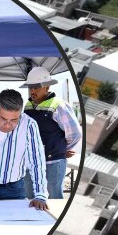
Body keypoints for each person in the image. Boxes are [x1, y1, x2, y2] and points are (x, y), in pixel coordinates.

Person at [21, 66, 80, 199]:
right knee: (30, 196)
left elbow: (75, 133)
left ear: (47, 87)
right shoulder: (28, 106)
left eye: (37, 87)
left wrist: (63, 149)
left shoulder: (59, 105)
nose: (33, 91)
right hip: (32, 162)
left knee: (54, 197)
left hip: (53, 161)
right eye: (31, 87)